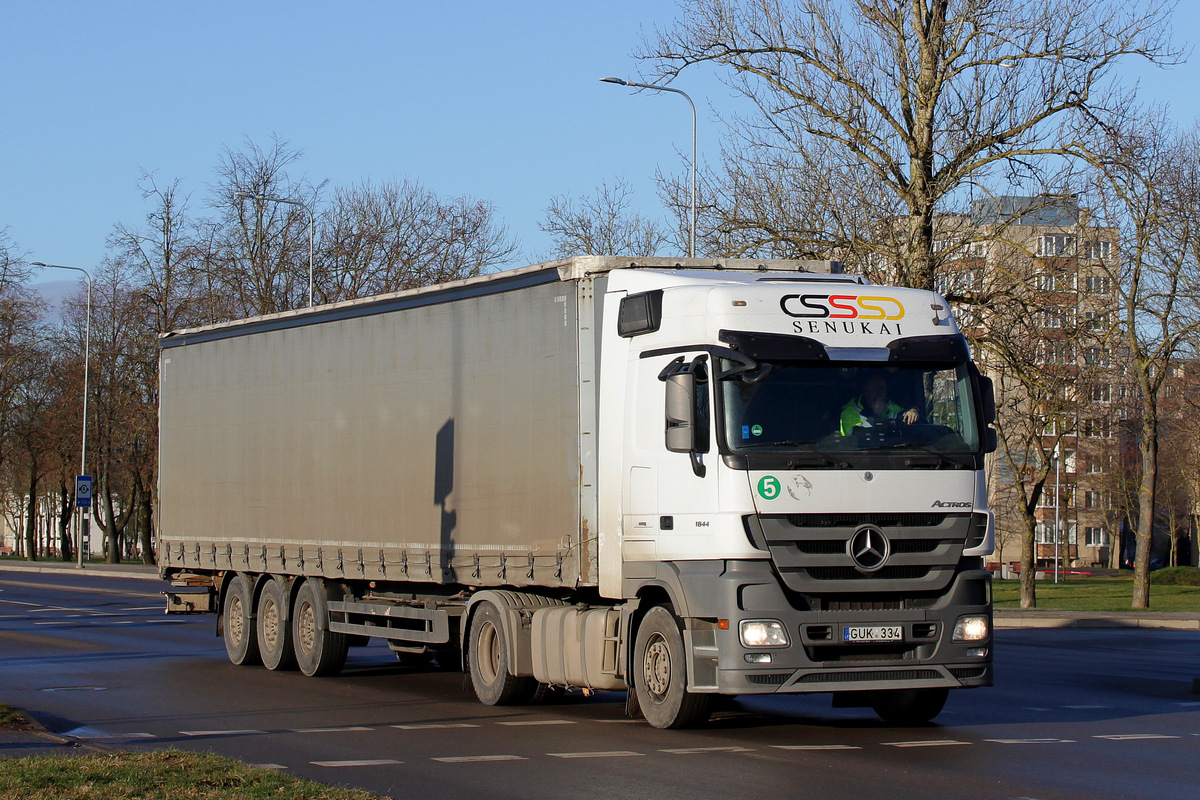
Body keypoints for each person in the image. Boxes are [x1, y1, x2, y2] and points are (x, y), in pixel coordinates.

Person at [839, 373, 919, 436]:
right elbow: (858, 439)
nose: (880, 392)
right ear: (865, 389)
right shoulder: (850, 411)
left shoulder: (891, 406)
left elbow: (908, 426)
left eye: (883, 387)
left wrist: (912, 411)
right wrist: (876, 414)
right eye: (876, 387)